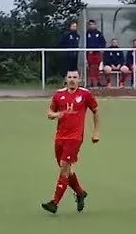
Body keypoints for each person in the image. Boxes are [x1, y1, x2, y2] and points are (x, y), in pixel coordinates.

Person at [41, 70, 99, 214]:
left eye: (75, 77)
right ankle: (80, 193)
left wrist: (96, 132)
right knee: (66, 169)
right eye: (70, 77)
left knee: (64, 167)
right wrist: (57, 114)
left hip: (75, 138)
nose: (72, 80)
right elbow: (49, 113)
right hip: (60, 137)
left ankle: (54, 203)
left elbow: (96, 111)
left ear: (79, 80)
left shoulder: (85, 94)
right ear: (66, 79)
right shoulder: (59, 95)